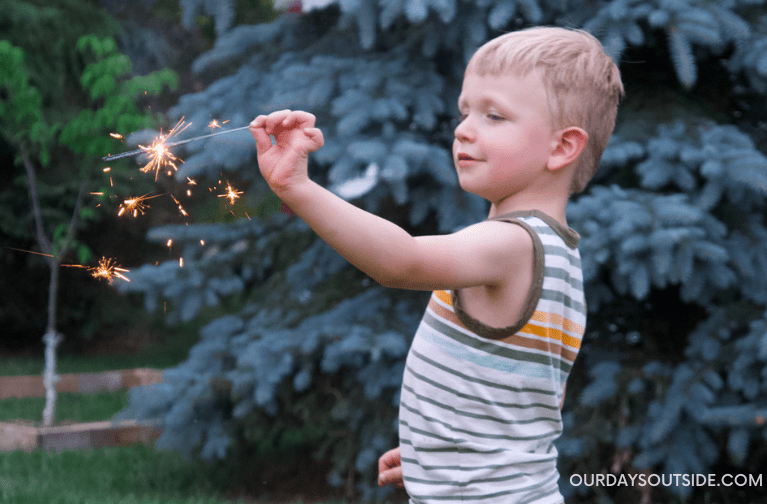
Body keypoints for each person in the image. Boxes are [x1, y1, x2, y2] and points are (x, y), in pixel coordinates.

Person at [249, 26, 624, 503]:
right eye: (466, 111)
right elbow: (535, 397)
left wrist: (296, 188)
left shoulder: (510, 244)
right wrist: (441, 453)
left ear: (561, 147)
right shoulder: (558, 253)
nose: (464, 129)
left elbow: (401, 262)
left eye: (494, 115)